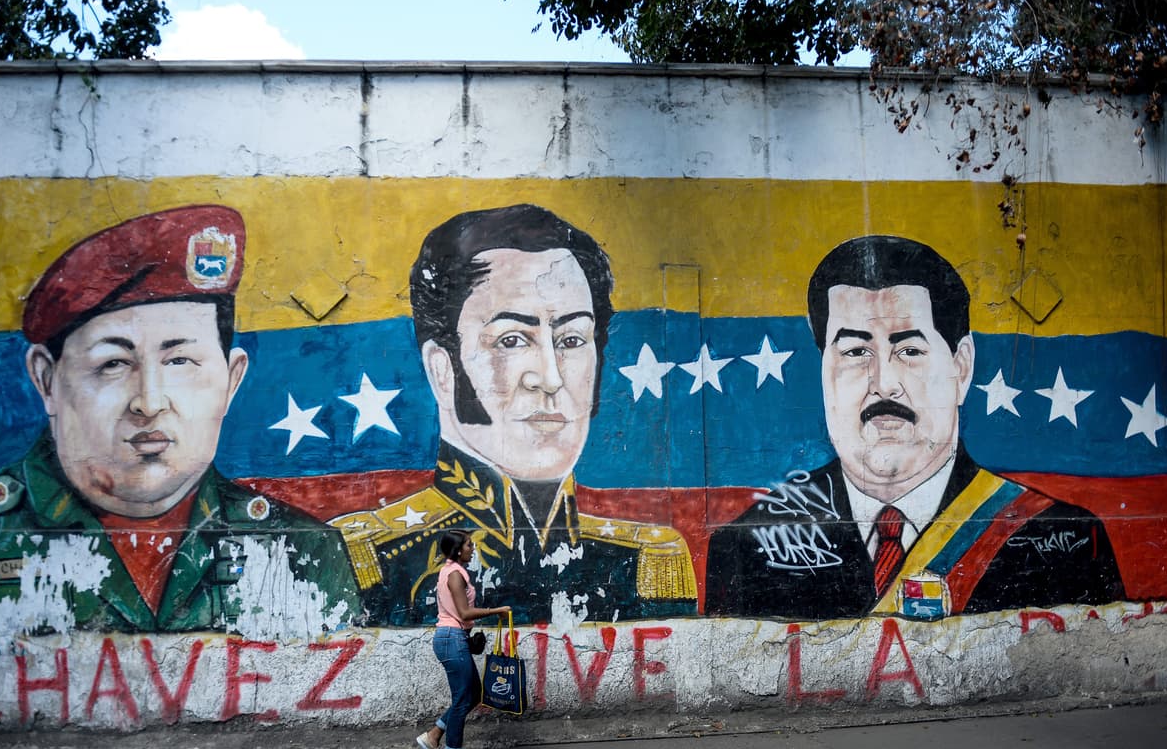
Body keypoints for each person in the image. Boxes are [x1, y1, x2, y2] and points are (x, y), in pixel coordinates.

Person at [0, 205, 361, 634]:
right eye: (113, 364)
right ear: (47, 380)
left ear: (232, 380)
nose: (148, 402)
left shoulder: (302, 551)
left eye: (180, 361)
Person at [706, 235, 1124, 620]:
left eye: (909, 350)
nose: (884, 383)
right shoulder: (747, 548)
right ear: (822, 370)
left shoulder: (1065, 540)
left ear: (961, 367)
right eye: (855, 351)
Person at [331, 204, 697, 626]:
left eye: (573, 338)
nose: (550, 377)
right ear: (442, 369)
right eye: (511, 340)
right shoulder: (375, 553)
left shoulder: (644, 557)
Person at [415, 530, 510, 749]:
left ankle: (433, 736)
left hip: (455, 638)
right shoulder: (455, 574)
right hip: (451, 638)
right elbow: (464, 613)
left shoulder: (450, 571)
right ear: (458, 550)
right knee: (461, 699)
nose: (473, 548)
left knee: (475, 694)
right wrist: (495, 610)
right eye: (469, 544)